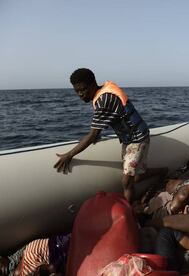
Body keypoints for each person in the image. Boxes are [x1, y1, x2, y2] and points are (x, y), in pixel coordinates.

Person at [54, 68, 166, 204]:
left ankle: (129, 213)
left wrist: (69, 155)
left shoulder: (104, 100)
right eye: (77, 91)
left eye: (83, 89)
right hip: (129, 139)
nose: (81, 94)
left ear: (93, 84)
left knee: (126, 181)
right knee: (133, 177)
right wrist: (96, 135)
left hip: (137, 139)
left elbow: (92, 134)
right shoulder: (102, 93)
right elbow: (105, 123)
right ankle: (163, 171)